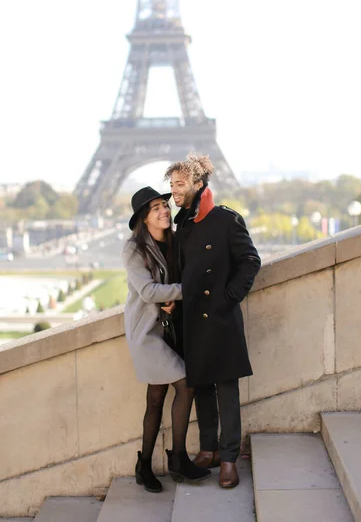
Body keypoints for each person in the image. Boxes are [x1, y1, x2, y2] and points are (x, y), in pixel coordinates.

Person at [165, 155, 261, 489]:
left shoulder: (225, 219)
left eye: (180, 184)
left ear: (197, 184)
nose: (174, 191)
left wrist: (227, 298)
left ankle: (229, 458)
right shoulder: (184, 224)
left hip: (220, 318)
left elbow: (250, 260)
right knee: (202, 385)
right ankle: (208, 448)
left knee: (227, 390)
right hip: (193, 319)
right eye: (172, 184)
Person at [122, 186, 210, 493]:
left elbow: (170, 281)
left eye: (164, 205)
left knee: (157, 397)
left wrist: (170, 298)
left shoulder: (173, 242)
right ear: (144, 218)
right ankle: (177, 460)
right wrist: (182, 292)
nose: (164, 210)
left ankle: (144, 465)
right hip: (146, 334)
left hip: (168, 330)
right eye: (156, 207)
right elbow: (147, 292)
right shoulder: (134, 249)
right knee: (185, 383)